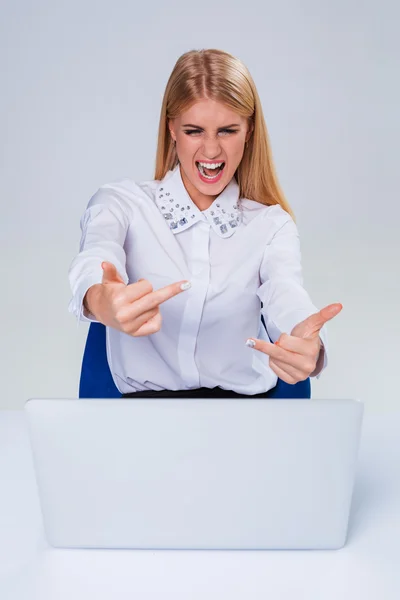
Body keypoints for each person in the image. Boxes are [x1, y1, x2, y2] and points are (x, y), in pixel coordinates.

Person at [68, 48, 342, 399]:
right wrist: (99, 297)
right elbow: (95, 255)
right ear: (171, 129)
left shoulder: (271, 225)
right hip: (137, 422)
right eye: (194, 130)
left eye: (227, 130)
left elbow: (285, 293)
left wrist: (310, 346)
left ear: (249, 131)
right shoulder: (121, 203)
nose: (211, 151)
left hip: (247, 419)